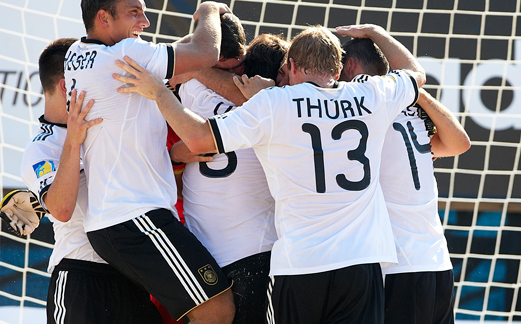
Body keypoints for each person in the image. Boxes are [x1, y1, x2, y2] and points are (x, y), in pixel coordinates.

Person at [112, 24, 425, 324]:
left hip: (300, 264)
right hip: (361, 263)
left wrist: (159, 92)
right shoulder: (372, 95)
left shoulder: (275, 103)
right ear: (338, 67)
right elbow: (415, 74)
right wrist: (376, 34)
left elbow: (197, 138)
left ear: (289, 66)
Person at [65, 0, 235, 323]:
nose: (145, 22)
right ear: (104, 18)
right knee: (217, 309)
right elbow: (207, 52)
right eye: (134, 13)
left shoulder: (75, 54)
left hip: (115, 222)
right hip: (136, 218)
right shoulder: (127, 53)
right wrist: (208, 11)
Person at [21, 38, 162, 324]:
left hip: (132, 276)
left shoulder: (108, 124)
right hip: (81, 278)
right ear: (66, 85)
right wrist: (73, 143)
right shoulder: (43, 147)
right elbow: (61, 210)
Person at [339, 33, 471, 324]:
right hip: (437, 263)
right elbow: (460, 143)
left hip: (399, 267)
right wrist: (415, 91)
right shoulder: (407, 112)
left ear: (349, 66)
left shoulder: (365, 100)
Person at [169, 33, 289, 324]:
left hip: (205, 259)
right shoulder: (276, 110)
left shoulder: (190, 91)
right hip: (257, 254)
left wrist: (175, 156)